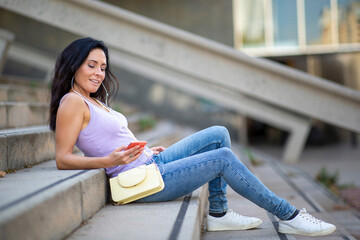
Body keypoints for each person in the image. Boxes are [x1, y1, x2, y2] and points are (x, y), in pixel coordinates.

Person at [50, 37, 336, 237]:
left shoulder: (93, 100)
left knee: (218, 134)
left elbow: (110, 136)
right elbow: (63, 159)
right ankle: (288, 216)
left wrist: (146, 149)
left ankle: (219, 213)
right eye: (91, 65)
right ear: (74, 64)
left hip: (151, 163)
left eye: (102, 67)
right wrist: (107, 160)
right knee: (222, 157)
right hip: (141, 184)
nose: (99, 73)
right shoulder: (73, 102)